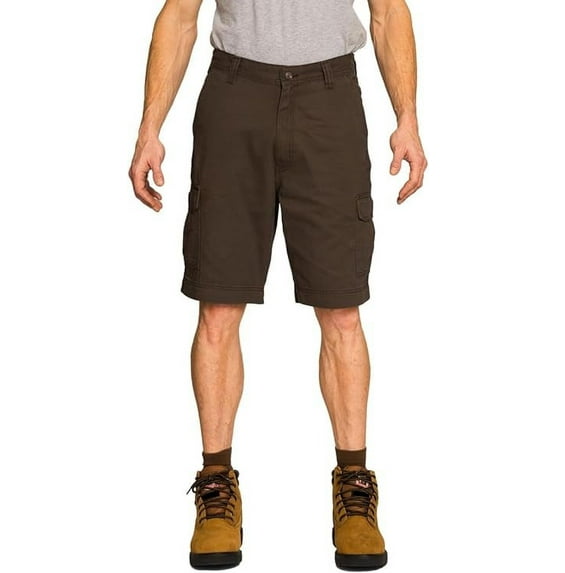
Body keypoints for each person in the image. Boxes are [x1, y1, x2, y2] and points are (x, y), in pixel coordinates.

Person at [128, 0, 427, 569]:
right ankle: (216, 489)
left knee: (341, 308)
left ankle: (354, 490)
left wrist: (407, 117)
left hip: (329, 96)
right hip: (235, 92)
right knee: (218, 305)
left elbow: (389, 11)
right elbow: (180, 15)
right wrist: (149, 128)